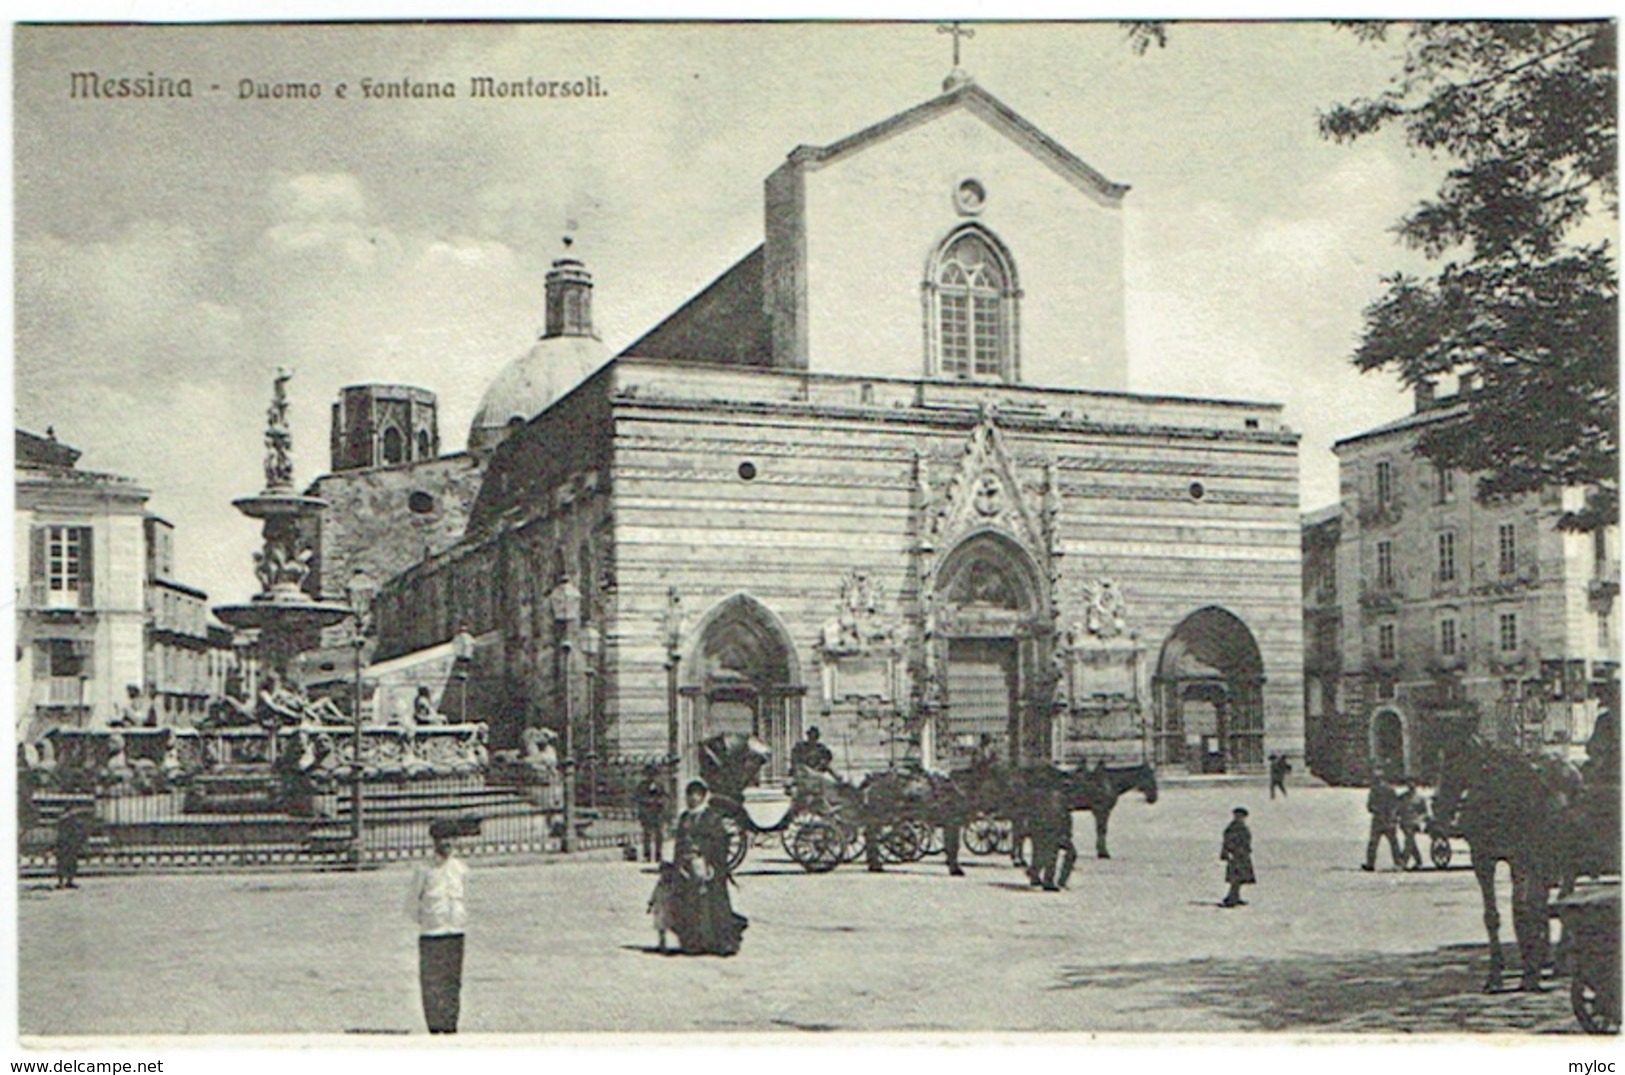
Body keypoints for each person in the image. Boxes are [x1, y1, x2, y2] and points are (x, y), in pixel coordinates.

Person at [406, 818, 469, 1033]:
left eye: (452, 838)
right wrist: (429, 922)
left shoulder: (460, 869)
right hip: (432, 934)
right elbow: (411, 905)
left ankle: (451, 1025)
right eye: (443, 839)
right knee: (433, 984)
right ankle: (435, 1026)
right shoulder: (424, 870)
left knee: (452, 983)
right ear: (435, 842)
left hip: (455, 932)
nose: (448, 843)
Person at [672, 780, 746, 956]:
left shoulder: (711, 817)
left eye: (696, 795)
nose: (692, 799)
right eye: (689, 796)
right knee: (690, 904)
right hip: (689, 867)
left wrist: (711, 863)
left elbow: (720, 842)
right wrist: (680, 864)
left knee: (716, 904)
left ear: (703, 797)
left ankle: (723, 942)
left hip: (711, 866)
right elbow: (679, 843)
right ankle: (694, 942)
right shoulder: (685, 818)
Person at [1361, 769, 1404, 871]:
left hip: (1379, 820)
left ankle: (1370, 863)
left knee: (1375, 843)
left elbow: (1370, 806)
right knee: (1393, 842)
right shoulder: (1389, 789)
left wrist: (1376, 809)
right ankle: (1398, 863)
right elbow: (1395, 804)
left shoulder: (1375, 790)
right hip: (1387, 819)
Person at [1219, 806, 1254, 907]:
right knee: (1235, 878)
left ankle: (1235, 896)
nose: (1240, 818)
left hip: (1243, 855)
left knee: (1240, 878)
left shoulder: (1242, 827)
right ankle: (1231, 898)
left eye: (1242, 816)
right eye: (1238, 816)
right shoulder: (1232, 828)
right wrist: (1227, 852)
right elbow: (1227, 842)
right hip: (1235, 856)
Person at [634, 763, 668, 863]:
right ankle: (647, 854)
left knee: (659, 834)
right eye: (649, 774)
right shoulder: (642, 786)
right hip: (647, 812)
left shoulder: (660, 785)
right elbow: (638, 798)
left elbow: (665, 797)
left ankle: (658, 854)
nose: (651, 777)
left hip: (658, 813)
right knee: (647, 834)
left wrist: (661, 803)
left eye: (653, 774)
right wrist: (647, 803)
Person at [54, 806, 92, 890]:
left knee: (66, 863)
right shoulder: (69, 821)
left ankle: (64, 881)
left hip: (66, 844)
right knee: (67, 863)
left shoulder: (66, 821)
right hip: (67, 844)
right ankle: (66, 881)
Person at [1396, 777, 1430, 871]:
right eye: (1409, 783)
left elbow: (1424, 812)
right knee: (1411, 842)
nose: (1411, 785)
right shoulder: (1402, 798)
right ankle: (1418, 861)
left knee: (1409, 841)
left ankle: (1403, 861)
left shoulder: (1420, 798)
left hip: (1414, 823)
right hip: (1404, 822)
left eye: (1413, 783)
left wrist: (1420, 819)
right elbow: (1397, 810)